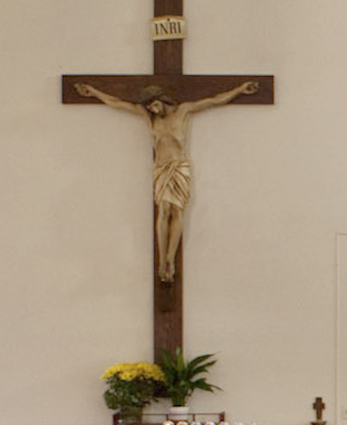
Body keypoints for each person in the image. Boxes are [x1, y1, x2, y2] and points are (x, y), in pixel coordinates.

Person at [77, 78, 261, 282]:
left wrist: (240, 90)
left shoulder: (183, 111)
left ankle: (170, 259)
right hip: (161, 168)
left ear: (162, 100)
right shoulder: (149, 117)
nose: (153, 110)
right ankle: (161, 258)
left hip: (179, 167)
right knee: (163, 210)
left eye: (154, 105)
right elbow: (119, 104)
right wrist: (94, 92)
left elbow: (214, 100)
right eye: (149, 107)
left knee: (177, 211)